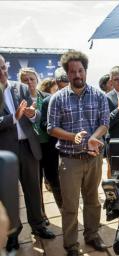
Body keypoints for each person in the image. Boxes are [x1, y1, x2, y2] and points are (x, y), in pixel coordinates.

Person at [47, 50, 110, 256]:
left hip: (93, 159)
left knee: (93, 201)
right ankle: (71, 246)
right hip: (69, 160)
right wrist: (72, 137)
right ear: (67, 73)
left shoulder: (99, 96)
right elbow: (51, 128)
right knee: (70, 206)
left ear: (85, 70)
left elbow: (105, 123)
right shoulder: (57, 99)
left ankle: (92, 235)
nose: (77, 74)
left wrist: (93, 137)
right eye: (72, 71)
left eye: (80, 70)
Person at [0, 55, 55, 252]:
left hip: (29, 148)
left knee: (33, 190)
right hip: (6, 153)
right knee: (9, 196)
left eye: (2, 67)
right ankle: (13, 234)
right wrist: (12, 118)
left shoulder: (20, 87)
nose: (2, 72)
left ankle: (38, 227)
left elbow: (36, 114)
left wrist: (33, 115)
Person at [18, 68, 51, 224]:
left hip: (48, 145)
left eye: (32, 79)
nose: (29, 82)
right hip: (31, 148)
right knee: (35, 185)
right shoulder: (19, 101)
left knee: (53, 180)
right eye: (25, 80)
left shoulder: (47, 98)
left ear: (37, 80)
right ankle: (41, 214)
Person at [39, 79, 62, 209]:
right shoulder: (46, 101)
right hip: (47, 145)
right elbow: (43, 124)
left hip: (65, 148)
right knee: (53, 178)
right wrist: (55, 128)